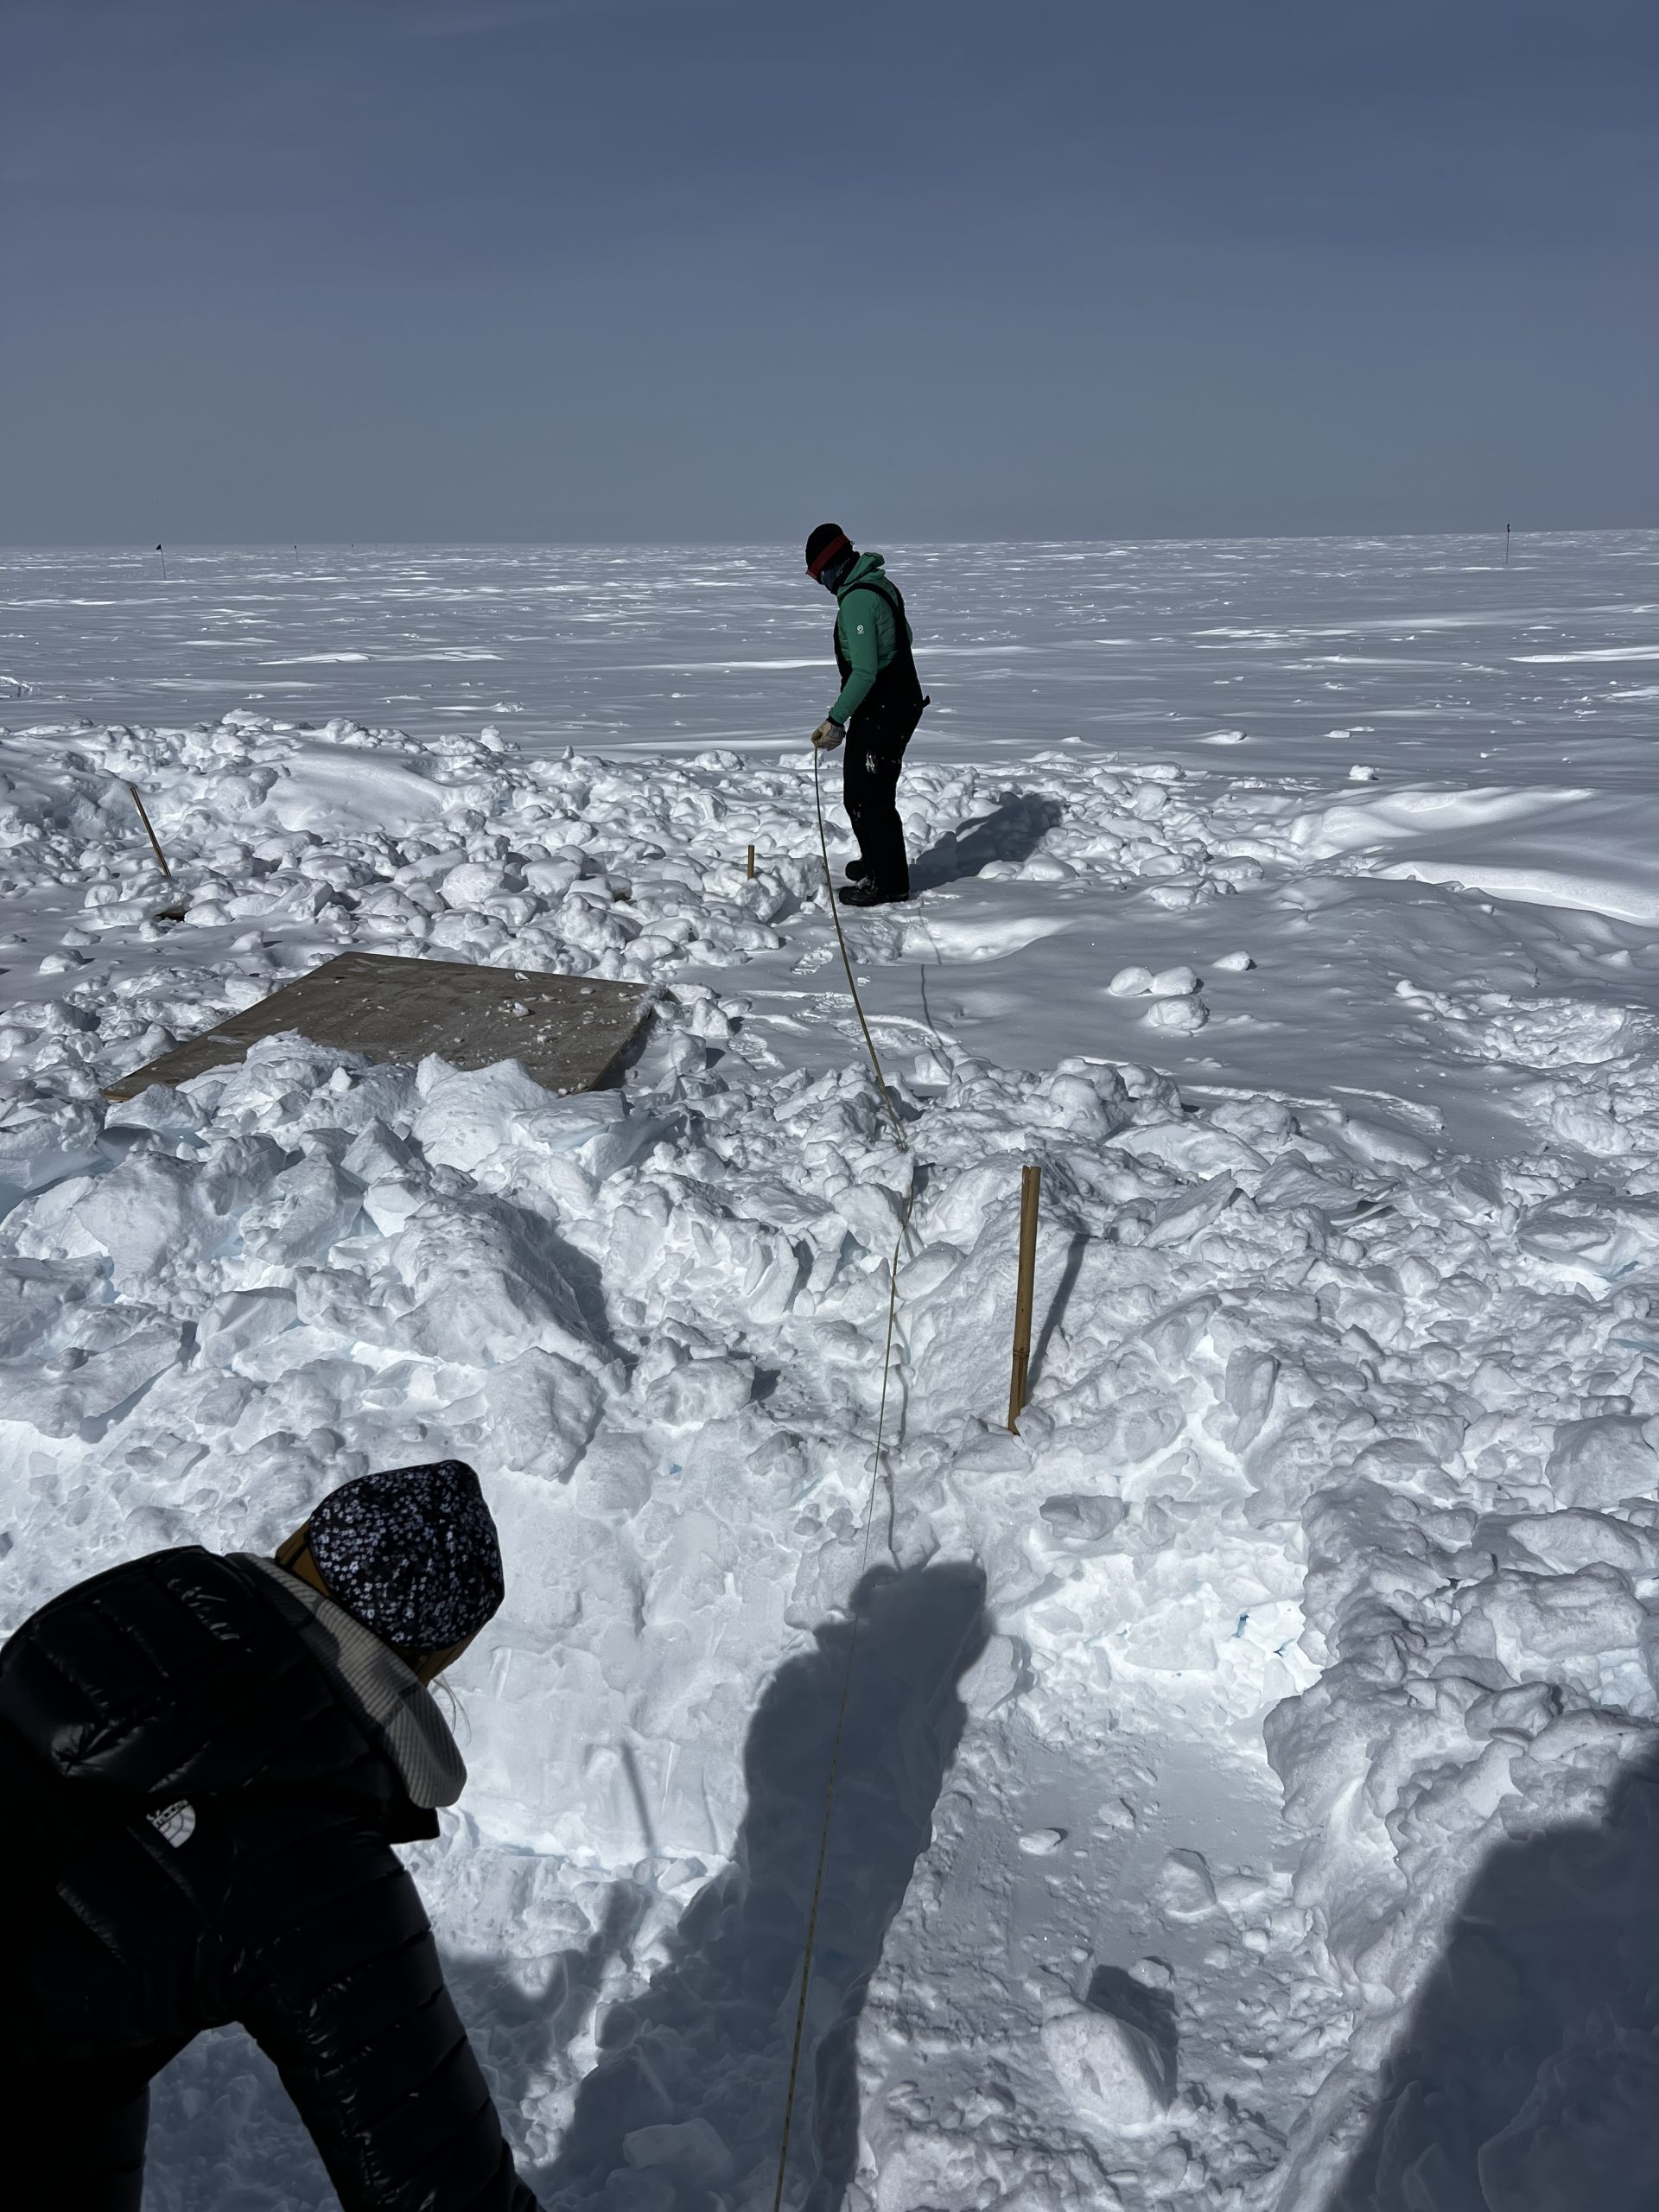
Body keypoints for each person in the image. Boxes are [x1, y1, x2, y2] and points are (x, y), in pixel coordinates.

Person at [0, 1459, 539, 2212]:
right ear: (436, 1661)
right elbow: (442, 2196)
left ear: (300, 1543)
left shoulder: (96, 1629)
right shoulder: (309, 1855)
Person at [804, 524, 930, 907]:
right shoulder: (882, 586)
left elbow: (864, 672)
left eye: (820, 575)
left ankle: (889, 883)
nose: (821, 584)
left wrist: (835, 719)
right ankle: (876, 862)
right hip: (896, 704)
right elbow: (903, 636)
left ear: (832, 568)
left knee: (868, 797)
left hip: (883, 709)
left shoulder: (858, 601)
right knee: (866, 790)